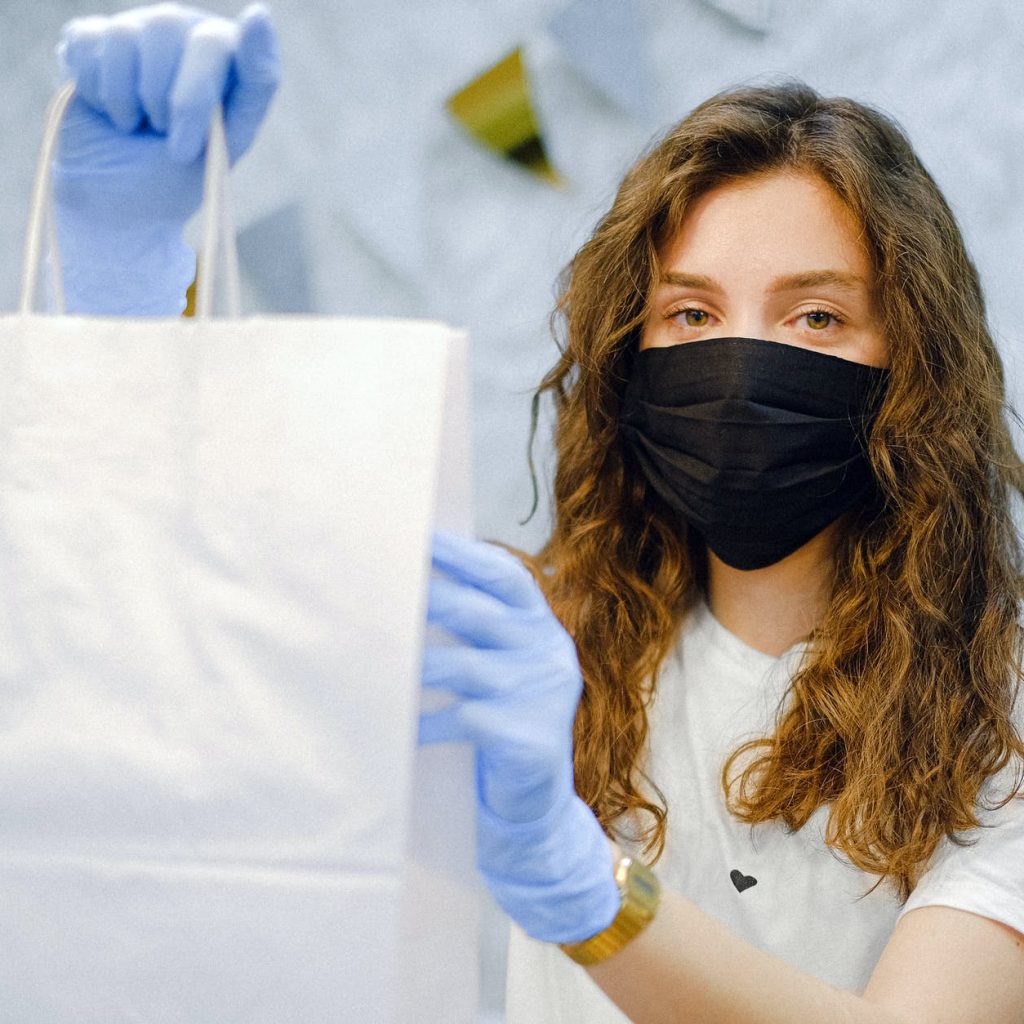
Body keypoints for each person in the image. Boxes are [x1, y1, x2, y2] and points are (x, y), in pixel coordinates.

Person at [51, 5, 1024, 1023]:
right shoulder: (535, 646)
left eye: (814, 315)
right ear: (627, 365)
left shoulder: (993, 716)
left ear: (910, 361)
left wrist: (580, 882)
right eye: (689, 313)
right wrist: (127, 309)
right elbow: (204, 609)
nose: (737, 361)